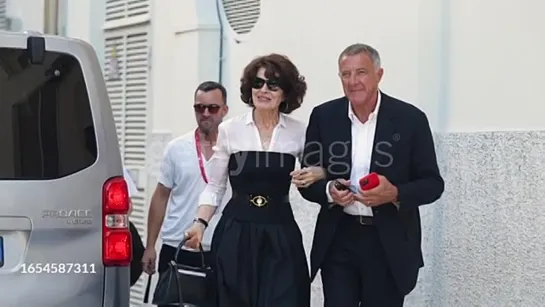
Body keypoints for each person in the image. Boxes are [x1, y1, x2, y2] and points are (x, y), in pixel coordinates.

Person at [298, 43, 445, 307]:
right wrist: (328, 190)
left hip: (388, 242)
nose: (353, 81)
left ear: (379, 74)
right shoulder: (324, 116)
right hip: (339, 238)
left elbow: (433, 184)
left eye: (361, 72)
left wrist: (395, 193)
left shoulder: (410, 119)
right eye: (346, 74)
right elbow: (309, 179)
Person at [184, 54, 325, 307]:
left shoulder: (299, 132)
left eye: (273, 85)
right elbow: (215, 186)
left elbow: (317, 170)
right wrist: (199, 223)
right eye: (258, 84)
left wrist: (320, 173)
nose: (264, 90)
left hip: (280, 234)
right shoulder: (230, 130)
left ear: (286, 92)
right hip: (236, 235)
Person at [140, 81, 230, 305]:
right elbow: (161, 196)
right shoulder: (176, 148)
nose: (205, 113)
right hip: (178, 246)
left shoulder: (236, 149)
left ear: (224, 110)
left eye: (213, 108)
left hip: (220, 249)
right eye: (199, 108)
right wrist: (151, 246)